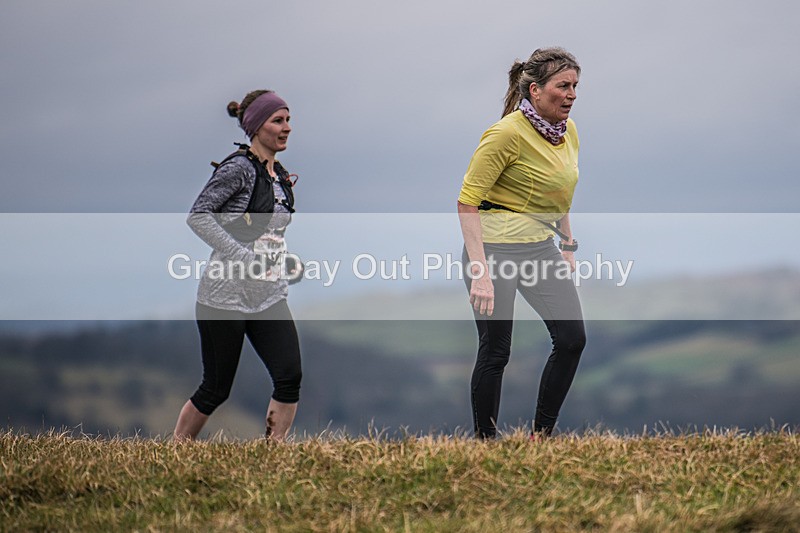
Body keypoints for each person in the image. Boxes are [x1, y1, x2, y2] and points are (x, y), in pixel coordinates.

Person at [457, 48, 586, 440]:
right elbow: (466, 203)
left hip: (539, 249)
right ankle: (486, 443)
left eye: (575, 86)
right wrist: (480, 272)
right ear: (534, 89)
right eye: (563, 86)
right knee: (497, 351)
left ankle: (541, 436)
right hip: (494, 251)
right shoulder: (505, 134)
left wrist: (567, 245)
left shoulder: (568, 132)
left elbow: (560, 193)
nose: (572, 95)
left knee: (571, 340)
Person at [173, 89, 302, 441]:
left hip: (269, 295)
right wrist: (245, 258)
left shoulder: (280, 175)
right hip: (223, 296)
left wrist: (286, 262)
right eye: (278, 120)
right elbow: (198, 217)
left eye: (288, 119)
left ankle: (273, 456)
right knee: (216, 388)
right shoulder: (238, 169)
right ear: (257, 126)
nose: (287, 127)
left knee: (289, 377)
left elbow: (268, 237)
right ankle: (176, 453)